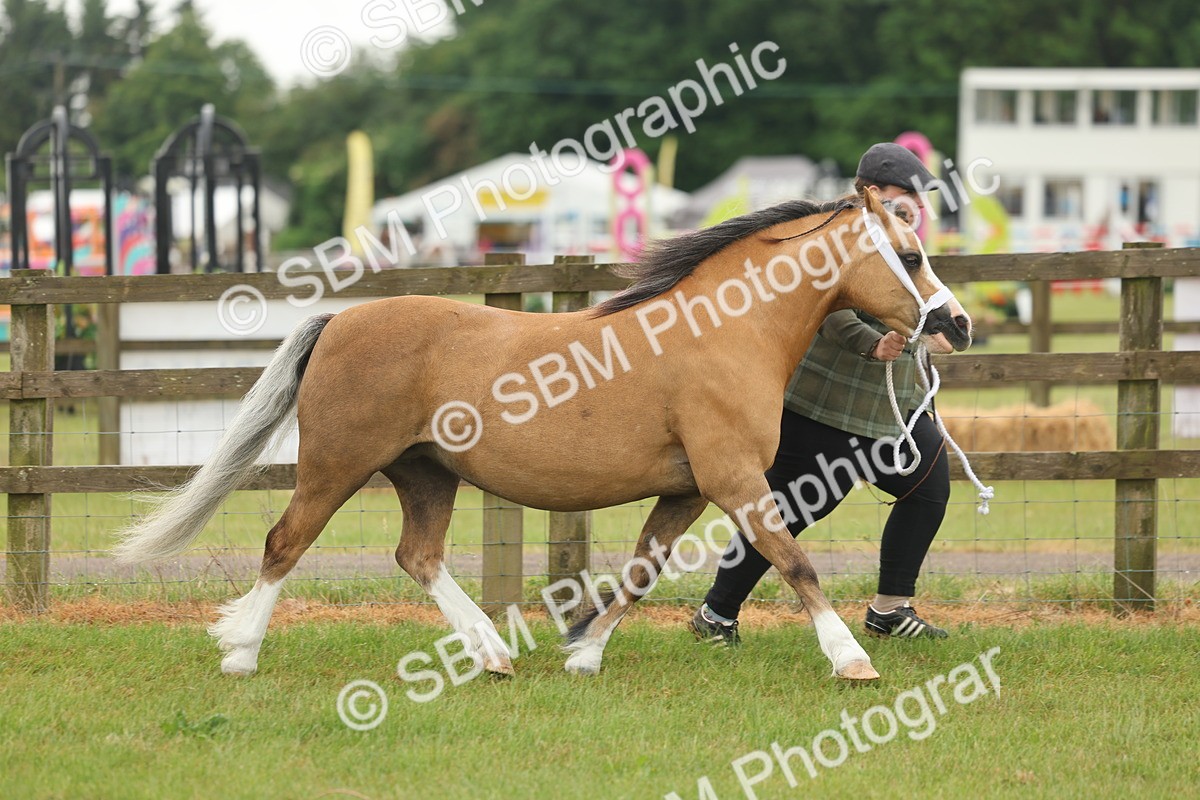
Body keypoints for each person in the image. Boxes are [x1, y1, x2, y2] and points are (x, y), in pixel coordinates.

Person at [690, 142, 952, 644]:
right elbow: (830, 312)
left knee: (927, 485)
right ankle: (717, 614)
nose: (918, 204)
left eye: (922, 194)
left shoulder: (891, 232)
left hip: (887, 405)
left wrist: (938, 322)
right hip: (827, 402)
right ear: (872, 192)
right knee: (794, 506)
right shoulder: (831, 234)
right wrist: (871, 343)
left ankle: (890, 609)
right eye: (908, 193)